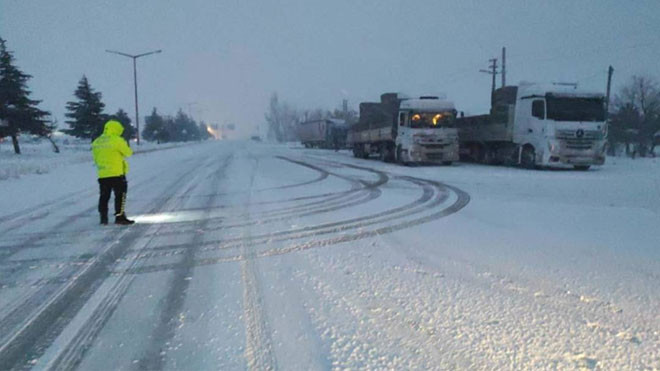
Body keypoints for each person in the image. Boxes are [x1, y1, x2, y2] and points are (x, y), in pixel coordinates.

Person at [92, 119, 135, 225]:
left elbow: (95, 157)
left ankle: (103, 218)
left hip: (102, 174)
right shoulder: (117, 140)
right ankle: (119, 217)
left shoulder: (97, 141)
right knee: (120, 195)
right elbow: (128, 153)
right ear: (116, 129)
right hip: (117, 173)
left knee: (104, 196)